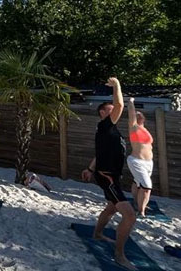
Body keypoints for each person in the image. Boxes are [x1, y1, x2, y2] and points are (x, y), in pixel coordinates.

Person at [81, 77, 137, 270]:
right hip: (107, 177)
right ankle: (120, 256)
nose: (115, 110)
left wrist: (89, 168)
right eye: (110, 109)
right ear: (103, 113)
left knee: (112, 208)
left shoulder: (110, 131)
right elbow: (119, 104)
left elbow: (100, 153)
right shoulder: (105, 125)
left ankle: (97, 234)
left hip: (110, 175)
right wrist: (117, 85)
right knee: (129, 216)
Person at [126, 97, 154, 217]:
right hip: (137, 161)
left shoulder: (145, 129)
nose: (138, 115)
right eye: (136, 114)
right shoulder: (134, 128)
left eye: (140, 114)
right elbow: (131, 114)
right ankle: (141, 211)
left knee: (137, 183)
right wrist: (131, 102)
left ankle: (137, 203)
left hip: (148, 162)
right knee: (147, 187)